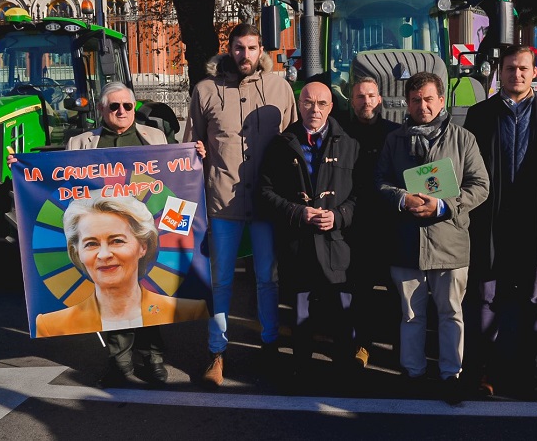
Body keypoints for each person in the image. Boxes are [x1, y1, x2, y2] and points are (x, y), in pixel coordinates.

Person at [10, 81, 206, 387]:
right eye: (114, 106)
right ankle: (120, 362)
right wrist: (21, 167)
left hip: (142, 231)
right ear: (101, 110)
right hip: (101, 232)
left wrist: (196, 155)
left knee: (150, 295)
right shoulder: (80, 143)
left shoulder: (155, 137)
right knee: (111, 300)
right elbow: (57, 183)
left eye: (127, 106)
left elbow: (177, 179)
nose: (122, 111)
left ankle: (153, 358)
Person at [183, 23, 298, 386]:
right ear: (228, 50)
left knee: (267, 280)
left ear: (261, 49)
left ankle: (269, 347)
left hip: (266, 204)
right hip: (222, 203)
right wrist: (197, 152)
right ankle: (216, 353)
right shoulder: (205, 90)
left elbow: (295, 140)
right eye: (238, 48)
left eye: (251, 48)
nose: (245, 55)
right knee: (221, 282)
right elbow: (188, 146)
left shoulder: (280, 87)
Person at [463, 45, 537, 399]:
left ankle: (526, 370)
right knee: (485, 299)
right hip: (490, 223)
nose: (517, 74)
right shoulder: (480, 114)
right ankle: (484, 371)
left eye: (524, 68)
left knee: (531, 301)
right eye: (511, 68)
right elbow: (466, 168)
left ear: (534, 71)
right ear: (500, 70)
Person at [374, 71, 489, 405]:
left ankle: (451, 375)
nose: (421, 106)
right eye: (415, 100)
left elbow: (480, 186)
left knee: (451, 313)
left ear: (441, 100)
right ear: (406, 104)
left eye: (428, 99)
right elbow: (378, 181)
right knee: (410, 315)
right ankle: (413, 374)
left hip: (449, 243)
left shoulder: (463, 139)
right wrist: (400, 197)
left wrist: (443, 205)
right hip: (406, 244)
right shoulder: (394, 140)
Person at [258, 81, 360, 378]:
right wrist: (297, 211)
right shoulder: (281, 144)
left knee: (342, 310)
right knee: (300, 311)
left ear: (331, 106)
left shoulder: (350, 144)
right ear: (298, 104)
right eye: (308, 103)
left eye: (321, 104)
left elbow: (360, 195)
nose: (314, 110)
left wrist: (339, 216)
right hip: (298, 242)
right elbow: (266, 193)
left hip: (336, 241)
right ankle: (301, 369)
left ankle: (343, 371)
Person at [35, 195, 208, 337]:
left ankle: (152, 359)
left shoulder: (191, 310)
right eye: (91, 244)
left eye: (117, 241)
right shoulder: (49, 324)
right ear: (77, 252)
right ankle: (119, 365)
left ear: (143, 246)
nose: (104, 255)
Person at [342, 76, 400, 369]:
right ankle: (362, 345)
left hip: (391, 223)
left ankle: (401, 348)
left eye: (371, 96)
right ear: (352, 102)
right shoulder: (342, 134)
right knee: (361, 290)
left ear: (380, 99)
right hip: (357, 225)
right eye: (360, 97)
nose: (366, 101)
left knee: (397, 291)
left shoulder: (396, 134)